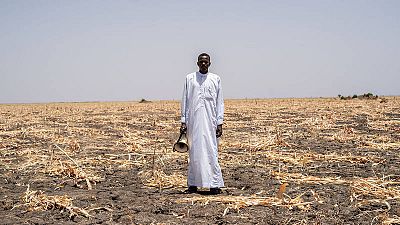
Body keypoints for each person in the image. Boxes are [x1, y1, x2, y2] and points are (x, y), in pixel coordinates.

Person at [180, 53, 224, 194]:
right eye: (201, 62)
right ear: (197, 63)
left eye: (206, 62)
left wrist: (219, 122)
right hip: (193, 121)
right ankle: (193, 184)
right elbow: (185, 101)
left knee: (211, 150)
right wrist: (183, 121)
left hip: (210, 121)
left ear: (210, 63)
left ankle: (214, 184)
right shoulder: (190, 78)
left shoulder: (215, 79)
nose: (203, 64)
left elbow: (219, 102)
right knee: (194, 152)